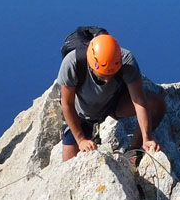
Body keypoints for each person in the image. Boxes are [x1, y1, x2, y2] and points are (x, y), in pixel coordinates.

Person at [58, 33, 165, 161]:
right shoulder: (73, 62)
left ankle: (134, 152)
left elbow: (139, 101)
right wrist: (80, 140)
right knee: (69, 166)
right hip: (82, 115)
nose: (108, 80)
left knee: (156, 104)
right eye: (103, 76)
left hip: (113, 101)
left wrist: (146, 138)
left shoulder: (126, 60)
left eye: (112, 74)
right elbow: (67, 104)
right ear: (92, 66)